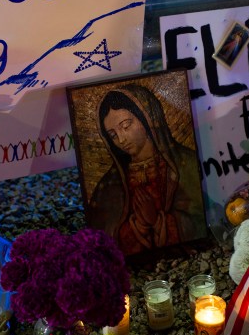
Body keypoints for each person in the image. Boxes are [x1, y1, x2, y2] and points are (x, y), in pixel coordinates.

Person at [88, 83, 206, 256]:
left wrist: (159, 221)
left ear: (147, 118)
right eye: (113, 135)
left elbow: (201, 221)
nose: (121, 139)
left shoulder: (187, 164)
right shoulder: (108, 186)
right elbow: (102, 242)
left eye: (126, 126)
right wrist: (140, 225)